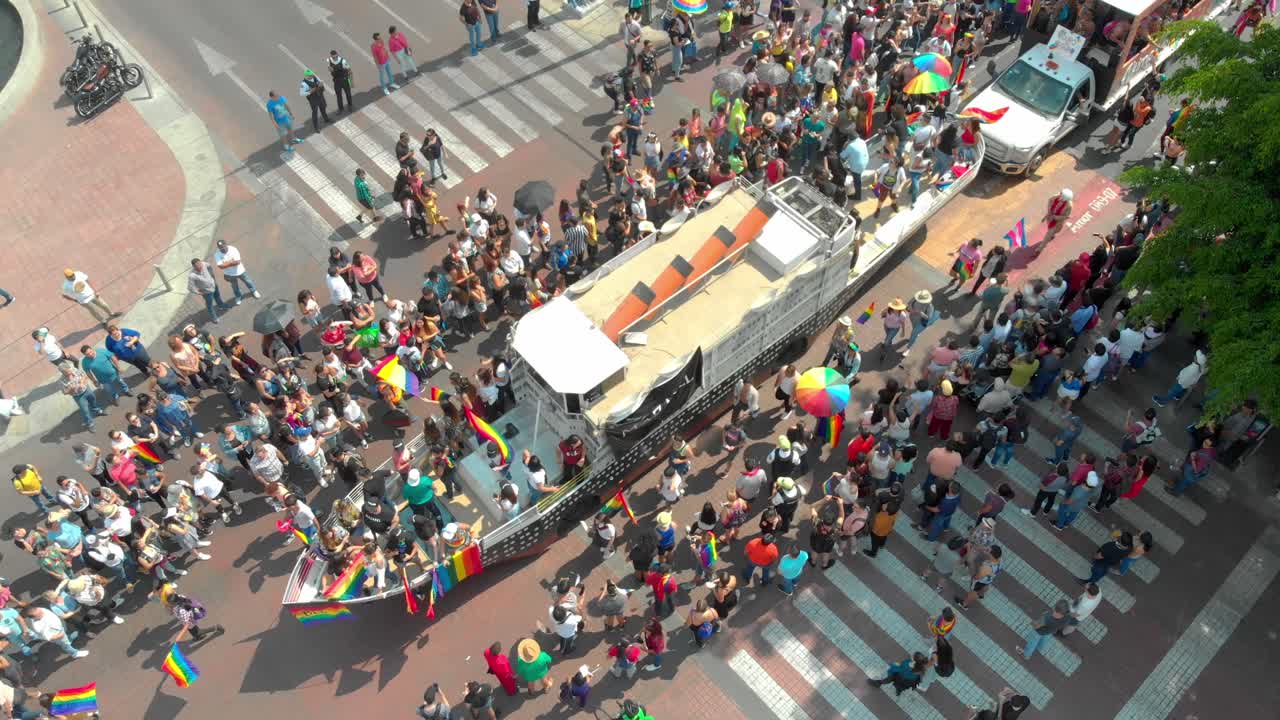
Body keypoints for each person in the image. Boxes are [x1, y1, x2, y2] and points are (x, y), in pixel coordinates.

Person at [60, 364, 104, 430]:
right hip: (78, 396)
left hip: (86, 390)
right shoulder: (61, 380)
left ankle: (97, 411)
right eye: (66, 372)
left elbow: (85, 376)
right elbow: (64, 392)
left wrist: (82, 383)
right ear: (62, 373)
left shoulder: (75, 370)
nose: (69, 373)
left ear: (70, 368)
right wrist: (71, 389)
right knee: (85, 410)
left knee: (93, 400)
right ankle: (90, 423)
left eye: (69, 370)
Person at [298, 68, 330, 133]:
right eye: (310, 75)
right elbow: (301, 93)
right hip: (313, 99)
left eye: (312, 74)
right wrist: (310, 91)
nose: (312, 75)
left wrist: (321, 83)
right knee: (315, 112)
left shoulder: (314, 77)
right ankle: (316, 127)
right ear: (306, 76)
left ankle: (326, 119)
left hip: (320, 95)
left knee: (323, 107)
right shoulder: (303, 84)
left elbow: (320, 81)